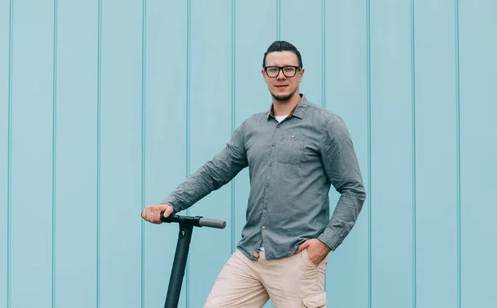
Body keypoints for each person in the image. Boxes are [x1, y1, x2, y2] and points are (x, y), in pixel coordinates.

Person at [141, 40, 366, 308]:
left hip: (297, 258)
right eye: (273, 69)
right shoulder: (252, 128)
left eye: (289, 69)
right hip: (250, 254)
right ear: (264, 75)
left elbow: (353, 190)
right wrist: (172, 202)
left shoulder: (327, 126)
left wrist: (325, 243)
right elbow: (215, 172)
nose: (281, 75)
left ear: (301, 74)